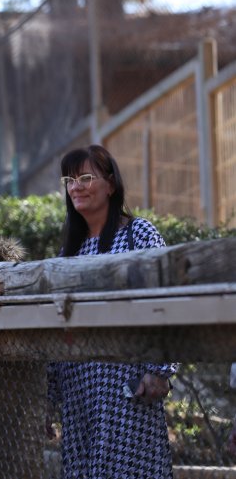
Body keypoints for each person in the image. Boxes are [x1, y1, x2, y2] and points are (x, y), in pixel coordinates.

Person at [48, 144, 176, 479]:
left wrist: (159, 369)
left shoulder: (138, 233)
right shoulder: (68, 252)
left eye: (86, 177)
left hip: (127, 386)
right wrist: (48, 397)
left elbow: (168, 299)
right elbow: (54, 324)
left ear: (111, 184)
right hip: (77, 392)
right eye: (70, 180)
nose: (76, 186)